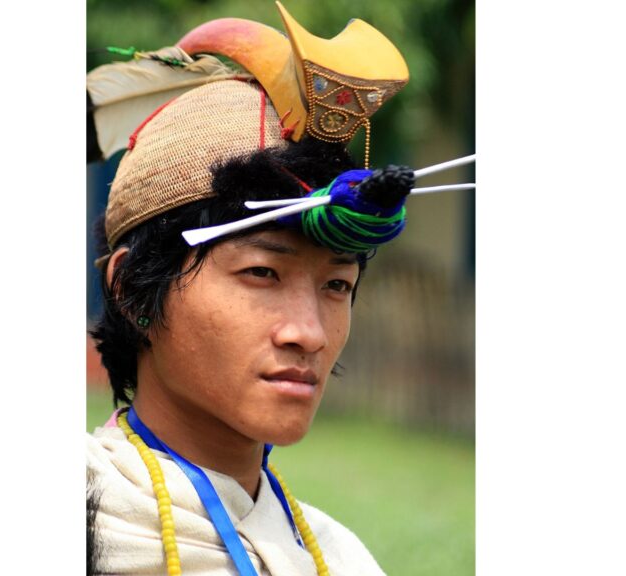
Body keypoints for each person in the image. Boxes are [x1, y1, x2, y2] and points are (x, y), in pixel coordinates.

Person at [85, 4, 416, 574]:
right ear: (131, 290)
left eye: (338, 284)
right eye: (262, 273)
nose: (308, 333)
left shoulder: (342, 558)